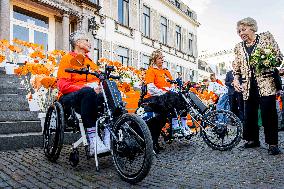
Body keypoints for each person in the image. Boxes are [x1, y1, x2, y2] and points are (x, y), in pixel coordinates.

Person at [232, 17, 283, 155]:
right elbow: (236, 68)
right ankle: (252, 140)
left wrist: (267, 60)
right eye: (239, 31)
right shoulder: (238, 47)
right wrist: (236, 80)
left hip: (266, 83)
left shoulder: (266, 38)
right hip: (248, 86)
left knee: (269, 113)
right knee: (249, 113)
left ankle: (272, 143)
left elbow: (279, 57)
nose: (241, 32)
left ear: (252, 27)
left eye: (244, 29)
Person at [57, 30, 109, 155]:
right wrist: (85, 87)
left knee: (109, 94)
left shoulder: (90, 62)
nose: (89, 43)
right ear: (78, 42)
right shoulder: (67, 58)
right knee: (88, 92)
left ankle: (109, 137)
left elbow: (99, 80)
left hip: (91, 96)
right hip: (70, 97)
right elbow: (62, 86)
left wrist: (101, 87)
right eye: (87, 40)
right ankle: (93, 142)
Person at [142, 50, 189, 153]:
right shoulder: (151, 71)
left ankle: (181, 124)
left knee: (183, 96)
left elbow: (172, 85)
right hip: (154, 98)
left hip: (165, 98)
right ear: (154, 59)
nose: (162, 60)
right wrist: (164, 92)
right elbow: (150, 88)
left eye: (162, 58)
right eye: (160, 58)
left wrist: (170, 89)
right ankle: (156, 141)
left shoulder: (165, 71)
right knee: (159, 119)